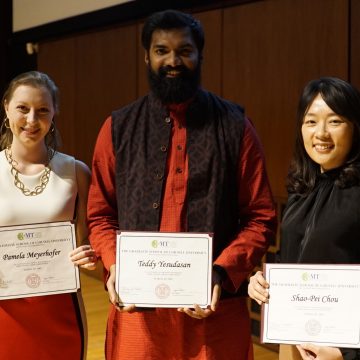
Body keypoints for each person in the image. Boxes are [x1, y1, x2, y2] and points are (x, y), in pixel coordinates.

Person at [87, 9, 277, 360]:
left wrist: (220, 273)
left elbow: (261, 216)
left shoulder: (235, 127)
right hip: (138, 318)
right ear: (146, 56)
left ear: (200, 55)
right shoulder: (117, 128)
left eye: (184, 51)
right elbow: (100, 215)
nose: (173, 61)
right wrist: (115, 267)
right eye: (161, 50)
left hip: (213, 313)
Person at [248, 77, 360, 360]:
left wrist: (347, 352)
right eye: (311, 121)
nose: (321, 133)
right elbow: (292, 260)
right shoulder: (301, 189)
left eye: (334, 121)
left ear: (355, 127)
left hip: (341, 349)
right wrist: (262, 282)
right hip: (294, 339)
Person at [0, 71, 97, 359]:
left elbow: (92, 239)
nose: (32, 120)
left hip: (60, 310)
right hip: (5, 312)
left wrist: (90, 254)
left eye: (42, 110)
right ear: (6, 108)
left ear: (54, 113)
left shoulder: (76, 172)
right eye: (22, 108)